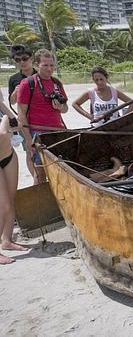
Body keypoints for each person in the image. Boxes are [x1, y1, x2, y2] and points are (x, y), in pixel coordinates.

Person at [16, 49, 68, 185]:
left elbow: (65, 109)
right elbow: (21, 113)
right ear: (37, 65)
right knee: (40, 172)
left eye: (52, 65)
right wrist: (28, 140)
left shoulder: (57, 83)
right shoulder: (28, 84)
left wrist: (60, 107)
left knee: (61, 170)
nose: (49, 69)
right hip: (37, 134)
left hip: (57, 131)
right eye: (45, 65)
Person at [7, 45, 37, 181]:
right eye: (17, 60)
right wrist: (15, 92)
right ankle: (36, 178)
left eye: (25, 58)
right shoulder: (14, 79)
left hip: (42, 119)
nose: (22, 62)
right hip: (24, 121)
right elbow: (11, 102)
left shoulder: (40, 75)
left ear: (31, 59)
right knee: (30, 152)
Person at [0, 115, 28, 264]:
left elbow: (16, 121)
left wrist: (15, 124)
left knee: (10, 201)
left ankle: (7, 240)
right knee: (3, 205)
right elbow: (3, 133)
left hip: (8, 154)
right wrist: (5, 120)